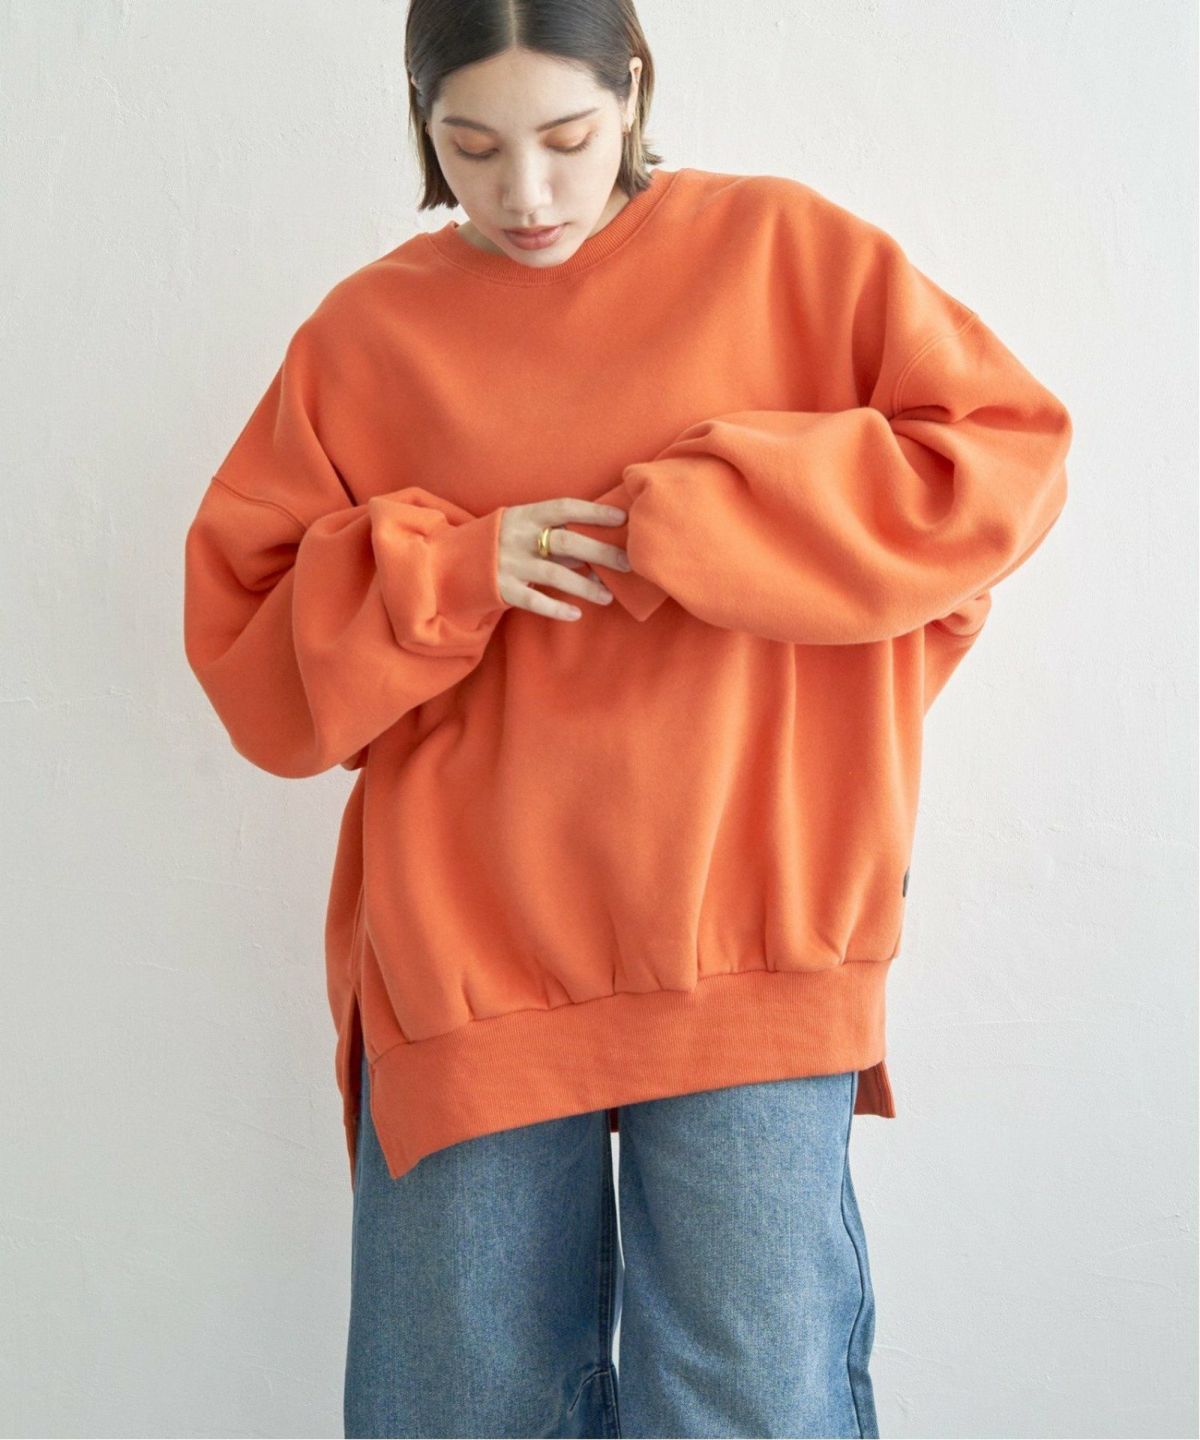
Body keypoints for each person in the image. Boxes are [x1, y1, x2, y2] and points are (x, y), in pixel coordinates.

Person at [182, 2, 1073, 1436]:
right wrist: (455, 568)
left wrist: (706, 514)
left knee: (749, 1402)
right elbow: (249, 657)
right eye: (471, 148)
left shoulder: (785, 254)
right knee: (462, 1406)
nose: (526, 192)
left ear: (635, 90)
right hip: (471, 947)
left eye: (567, 137)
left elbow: (1001, 463)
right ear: (421, 123)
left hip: (755, 924)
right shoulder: (367, 336)